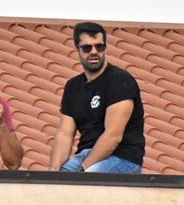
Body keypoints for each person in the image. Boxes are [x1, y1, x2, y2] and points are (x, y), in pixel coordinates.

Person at [48, 22, 145, 174]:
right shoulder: (73, 86)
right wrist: (52, 174)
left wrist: (82, 171)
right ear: (77, 49)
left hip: (122, 158)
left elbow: (113, 137)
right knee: (55, 184)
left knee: (83, 183)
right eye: (87, 48)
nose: (94, 52)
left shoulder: (120, 80)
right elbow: (64, 134)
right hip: (85, 155)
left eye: (99, 47)